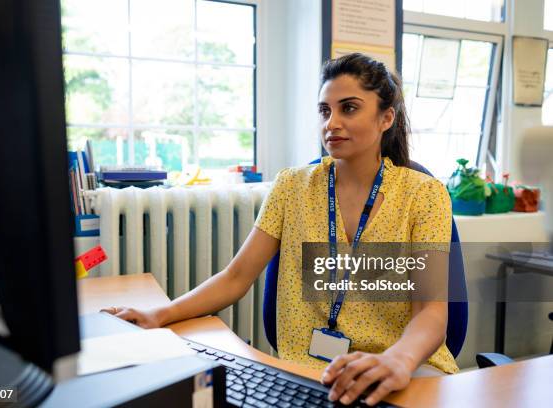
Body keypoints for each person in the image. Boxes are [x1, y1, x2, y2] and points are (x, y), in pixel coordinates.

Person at [102, 53, 458, 406]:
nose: (331, 123)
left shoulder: (423, 194)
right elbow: (236, 276)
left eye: (348, 108)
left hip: (398, 370)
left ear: (386, 118)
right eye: (324, 110)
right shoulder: (292, 186)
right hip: (308, 371)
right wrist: (160, 314)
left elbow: (431, 311)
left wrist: (397, 360)